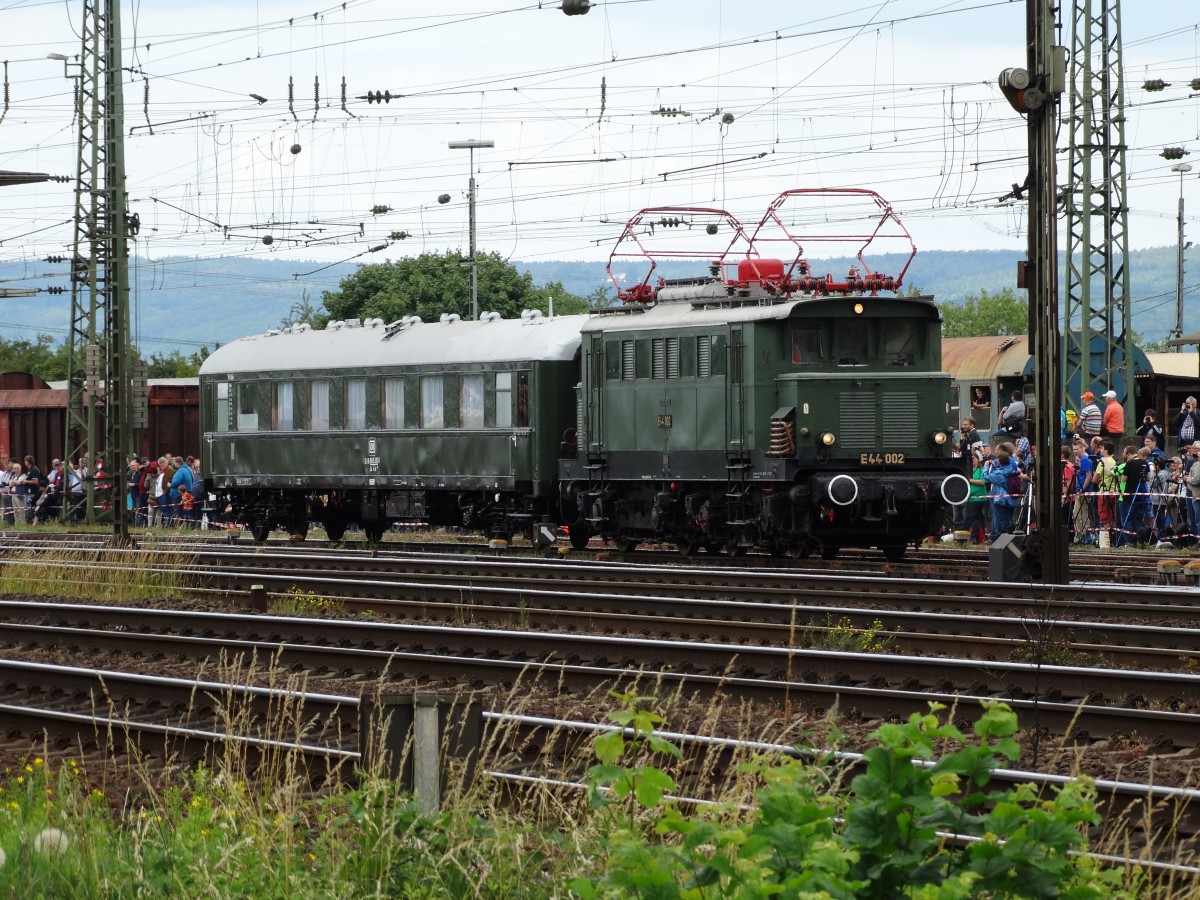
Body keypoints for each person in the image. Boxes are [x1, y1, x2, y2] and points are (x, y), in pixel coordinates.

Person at [983, 443, 1022, 540]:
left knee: (998, 521)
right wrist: (995, 467)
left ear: (999, 462)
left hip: (1001, 501)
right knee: (1009, 520)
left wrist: (986, 466)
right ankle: (1009, 539)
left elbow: (986, 477)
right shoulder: (1010, 469)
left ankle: (998, 538)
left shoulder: (1000, 475)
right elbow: (1000, 471)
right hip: (1011, 500)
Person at [1115, 445, 1149, 546]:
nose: (1123, 455)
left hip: (1128, 495)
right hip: (1141, 495)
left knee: (1127, 519)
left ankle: (1129, 541)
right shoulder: (1145, 462)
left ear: (1129, 454)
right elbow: (1147, 477)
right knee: (1138, 519)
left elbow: (1124, 479)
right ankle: (1139, 539)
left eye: (1124, 453)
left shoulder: (1129, 464)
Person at [1071, 439, 1096, 544]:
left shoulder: (1084, 460)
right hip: (1080, 491)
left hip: (1083, 492)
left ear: (1082, 448)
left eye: (1077, 449)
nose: (1075, 451)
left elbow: (1089, 476)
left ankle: (1085, 537)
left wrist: (1082, 489)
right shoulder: (1082, 459)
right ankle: (1082, 536)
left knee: (1081, 515)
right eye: (1074, 449)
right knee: (1077, 514)